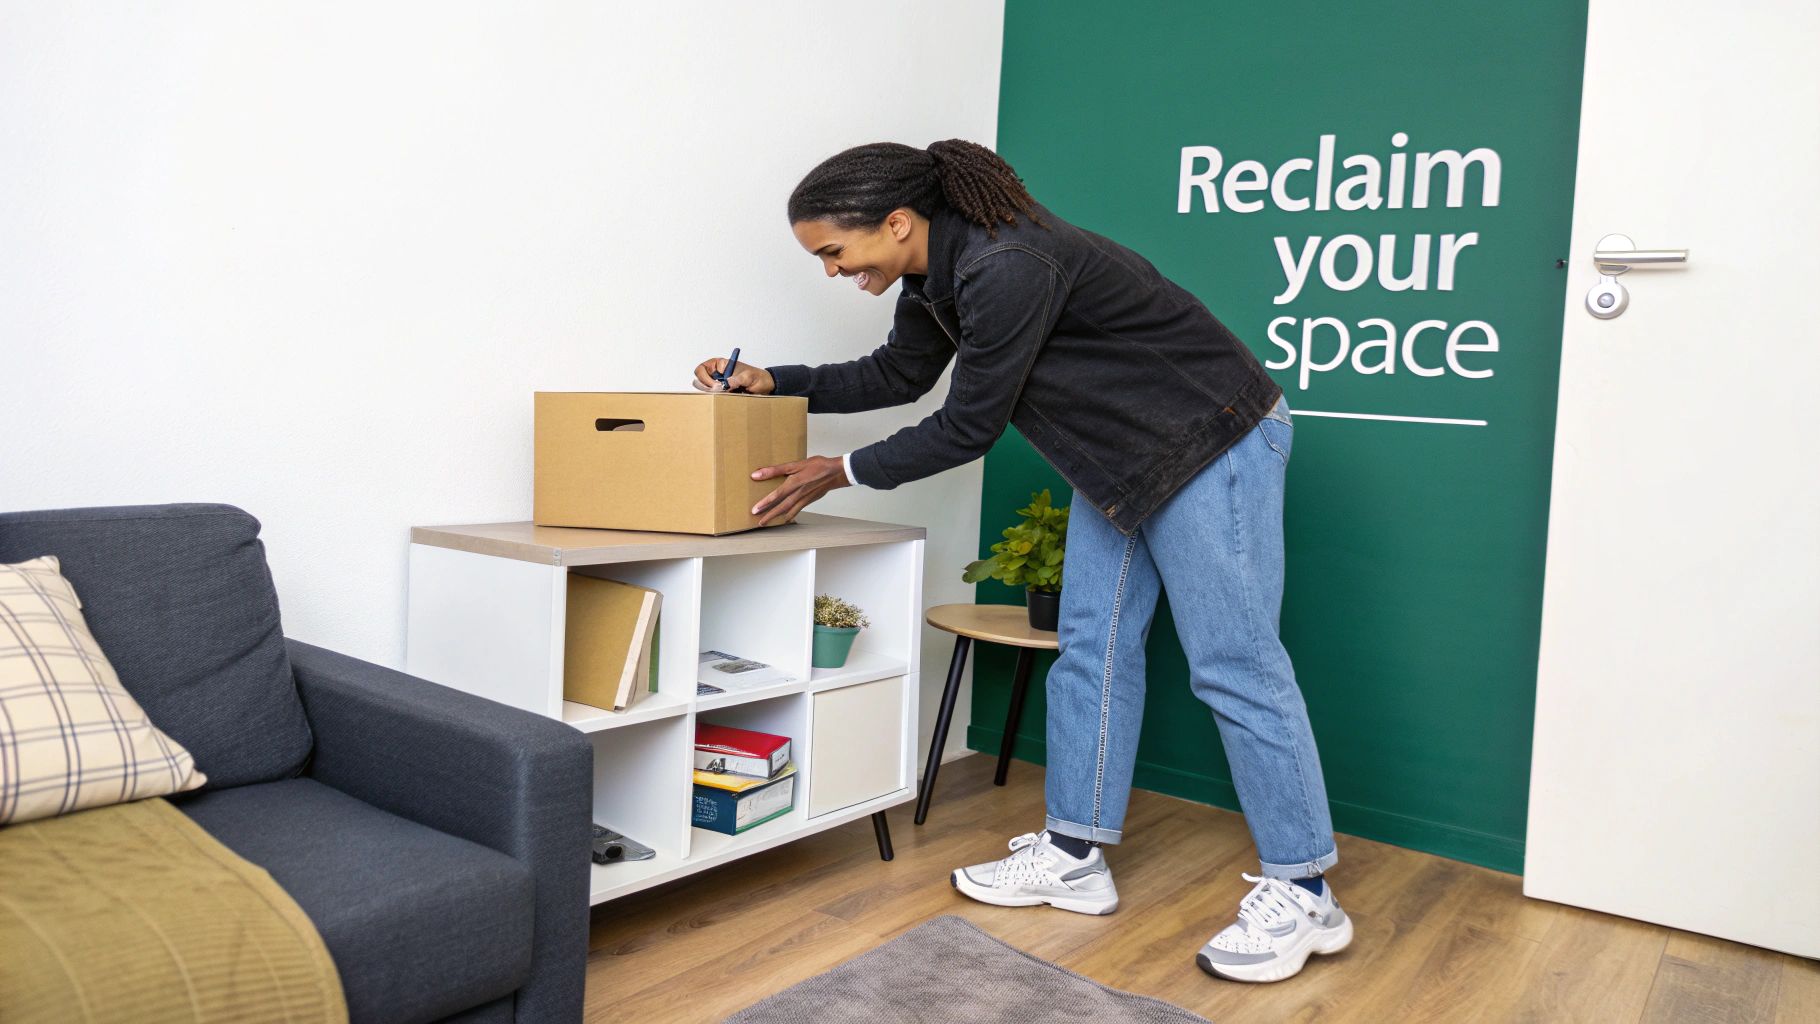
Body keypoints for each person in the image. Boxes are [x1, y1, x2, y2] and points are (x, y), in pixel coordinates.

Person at [690, 139, 1350, 983]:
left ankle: (1306, 891)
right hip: (1118, 458)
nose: (831, 271)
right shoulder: (934, 276)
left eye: (834, 252)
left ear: (896, 223)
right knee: (1091, 652)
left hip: (1210, 439)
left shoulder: (1008, 263)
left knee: (1235, 664)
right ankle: (1075, 855)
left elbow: (969, 426)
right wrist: (774, 381)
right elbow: (899, 375)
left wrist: (840, 471)